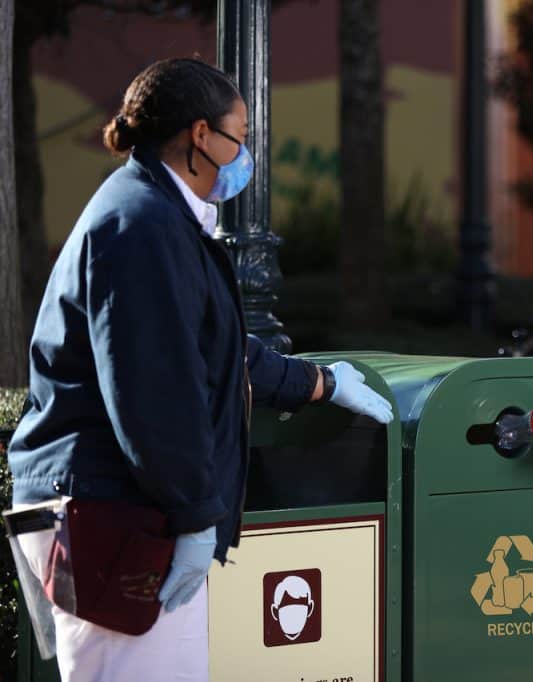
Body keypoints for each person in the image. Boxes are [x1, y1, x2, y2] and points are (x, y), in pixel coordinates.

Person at [7, 58, 393, 681]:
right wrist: (194, 517)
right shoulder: (142, 226)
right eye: (240, 137)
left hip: (105, 512)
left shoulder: (152, 214)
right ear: (199, 136)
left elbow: (214, 348)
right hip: (113, 517)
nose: (246, 155)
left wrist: (321, 382)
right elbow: (154, 394)